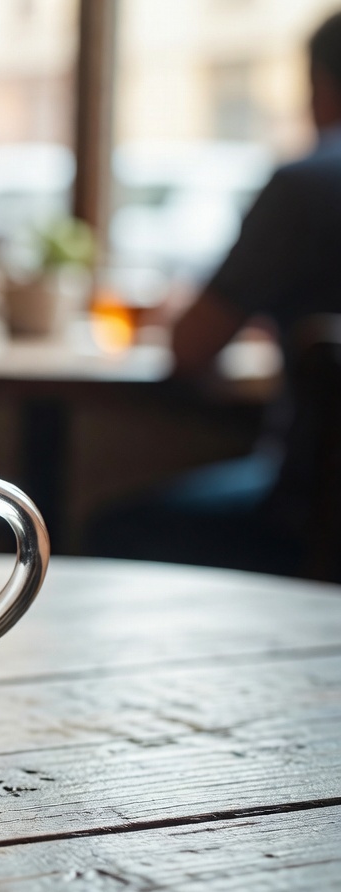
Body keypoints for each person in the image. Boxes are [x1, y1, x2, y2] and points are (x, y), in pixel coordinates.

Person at [87, 10, 341, 577]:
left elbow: (191, 348)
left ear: (320, 88)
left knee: (107, 528)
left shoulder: (304, 185)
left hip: (310, 512)